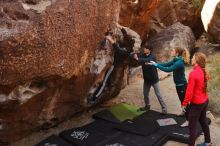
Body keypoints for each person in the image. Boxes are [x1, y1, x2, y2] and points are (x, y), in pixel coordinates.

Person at [149, 48, 189, 126]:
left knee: (185, 103)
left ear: (177, 53)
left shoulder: (179, 62)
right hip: (179, 85)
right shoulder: (175, 59)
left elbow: (168, 69)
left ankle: (188, 120)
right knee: (182, 101)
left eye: (173, 51)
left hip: (182, 85)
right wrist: (155, 63)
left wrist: (156, 65)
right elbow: (166, 64)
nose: (171, 52)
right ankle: (184, 112)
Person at [182, 52, 211, 146]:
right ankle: (208, 142)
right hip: (205, 101)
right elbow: (206, 81)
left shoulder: (193, 73)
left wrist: (184, 104)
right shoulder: (204, 71)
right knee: (203, 121)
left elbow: (189, 92)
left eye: (193, 57)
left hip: (197, 104)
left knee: (192, 126)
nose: (191, 59)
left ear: (197, 60)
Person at [131, 44, 167, 114]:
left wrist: (138, 59)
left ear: (149, 50)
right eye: (144, 48)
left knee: (158, 95)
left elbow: (148, 60)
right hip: (147, 80)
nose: (144, 50)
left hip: (154, 80)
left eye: (145, 49)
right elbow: (133, 55)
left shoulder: (152, 56)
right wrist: (134, 55)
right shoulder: (143, 55)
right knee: (145, 94)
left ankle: (164, 109)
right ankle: (147, 106)